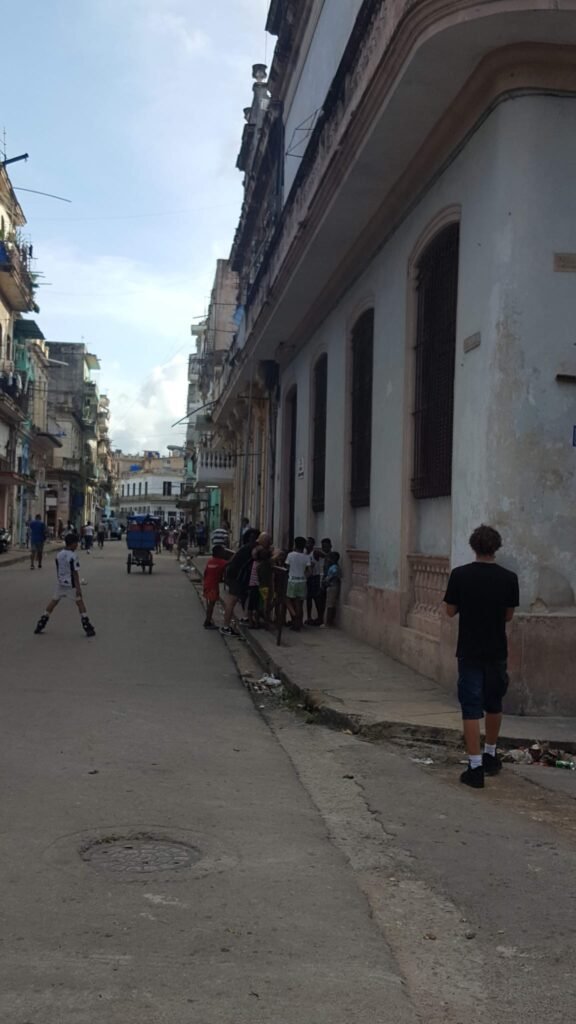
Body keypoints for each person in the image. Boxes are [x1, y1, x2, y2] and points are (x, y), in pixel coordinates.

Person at [443, 524, 519, 790]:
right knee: (494, 702)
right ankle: (490, 754)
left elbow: (450, 611)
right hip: (497, 649)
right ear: (496, 547)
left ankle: (474, 767)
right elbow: (508, 615)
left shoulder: (460, 575)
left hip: (469, 650)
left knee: (471, 706)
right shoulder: (509, 578)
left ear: (473, 546)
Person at [34, 533, 96, 637]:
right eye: (76, 543)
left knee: (53, 601)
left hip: (61, 582)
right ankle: (87, 626)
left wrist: (60, 579)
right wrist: (78, 588)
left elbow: (58, 568)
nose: (77, 545)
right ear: (72, 544)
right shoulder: (73, 556)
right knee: (80, 603)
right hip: (71, 585)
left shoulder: (59, 554)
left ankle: (41, 622)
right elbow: (75, 573)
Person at [219, 528, 260, 636]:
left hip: (232, 574)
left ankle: (244, 618)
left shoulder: (244, 547)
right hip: (235, 576)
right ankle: (226, 626)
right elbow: (259, 556)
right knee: (232, 601)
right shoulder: (253, 548)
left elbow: (232, 559)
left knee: (241, 597)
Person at [285, 536, 311, 631]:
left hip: (292, 580)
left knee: (287, 600)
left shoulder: (290, 555)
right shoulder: (306, 556)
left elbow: (287, 567)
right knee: (299, 603)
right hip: (302, 581)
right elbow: (309, 570)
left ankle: (294, 616)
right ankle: (298, 623)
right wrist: (305, 577)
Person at [203, 544, 229, 629]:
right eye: (223, 552)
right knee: (211, 604)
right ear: (219, 553)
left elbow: (206, 573)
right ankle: (207, 622)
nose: (224, 553)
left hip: (207, 584)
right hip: (213, 586)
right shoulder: (221, 562)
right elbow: (230, 564)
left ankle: (208, 620)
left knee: (210, 603)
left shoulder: (210, 561)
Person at [321, 551, 342, 627]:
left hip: (332, 586)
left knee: (330, 605)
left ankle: (328, 622)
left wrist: (325, 581)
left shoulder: (334, 568)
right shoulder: (334, 567)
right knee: (331, 604)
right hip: (332, 586)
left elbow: (331, 578)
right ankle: (329, 621)